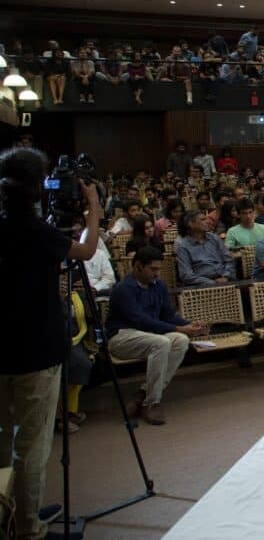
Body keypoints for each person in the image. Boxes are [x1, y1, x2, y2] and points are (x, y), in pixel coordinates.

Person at [1, 146, 100, 539]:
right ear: (38, 187)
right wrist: (92, 208)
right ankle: (28, 529)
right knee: (31, 446)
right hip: (36, 349)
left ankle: (12, 511)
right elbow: (88, 250)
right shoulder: (39, 233)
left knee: (3, 438)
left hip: (2, 348)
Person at [107, 247, 209, 426]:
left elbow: (167, 315)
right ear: (138, 267)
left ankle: (143, 394)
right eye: (153, 269)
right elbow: (141, 321)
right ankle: (151, 403)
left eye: (159, 269)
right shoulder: (122, 289)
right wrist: (178, 328)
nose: (157, 273)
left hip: (150, 335)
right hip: (122, 337)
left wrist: (189, 325)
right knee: (162, 342)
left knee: (181, 340)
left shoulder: (159, 285)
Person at [175, 211, 236, 286]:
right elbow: (186, 275)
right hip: (202, 285)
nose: (208, 222)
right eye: (203, 220)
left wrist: (226, 276)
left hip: (224, 279)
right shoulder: (183, 246)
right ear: (191, 224)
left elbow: (229, 260)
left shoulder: (214, 238)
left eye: (207, 219)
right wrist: (212, 283)